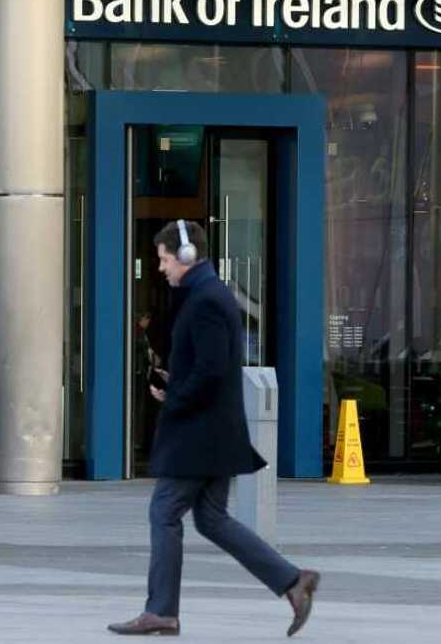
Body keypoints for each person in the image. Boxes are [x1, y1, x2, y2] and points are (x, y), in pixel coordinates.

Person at [108, 220, 320, 637]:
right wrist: (178, 381)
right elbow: (209, 366)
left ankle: (162, 611)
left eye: (166, 260)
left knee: (164, 511)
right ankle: (293, 582)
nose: (163, 268)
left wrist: (175, 397)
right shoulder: (206, 294)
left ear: (186, 256)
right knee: (211, 518)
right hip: (213, 431)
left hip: (199, 435)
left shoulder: (205, 300)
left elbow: (211, 369)